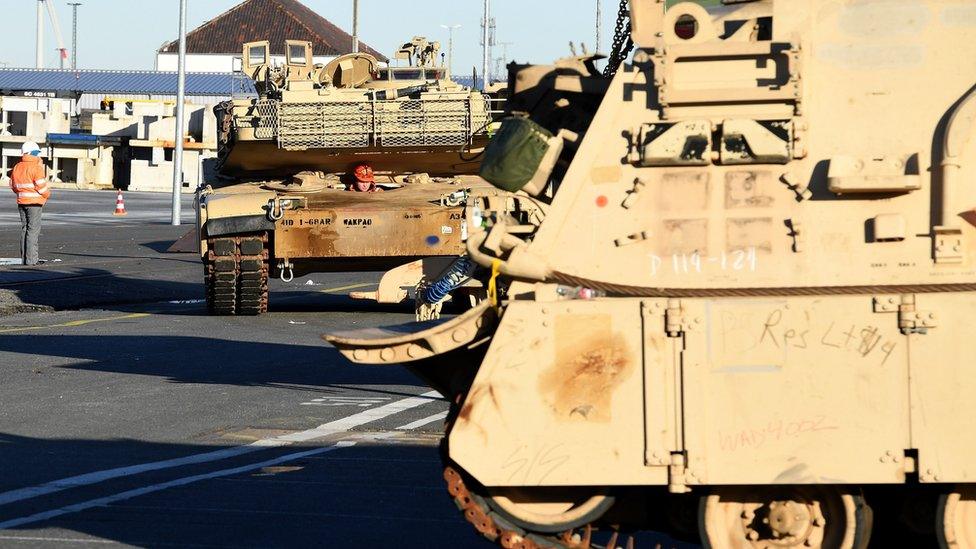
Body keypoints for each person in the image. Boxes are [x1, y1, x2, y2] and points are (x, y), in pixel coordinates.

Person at [10, 141, 50, 266]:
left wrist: (22, 193)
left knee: (25, 229)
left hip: (21, 202)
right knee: (33, 231)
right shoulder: (36, 167)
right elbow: (41, 187)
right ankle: (32, 260)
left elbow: (13, 185)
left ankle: (25, 259)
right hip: (34, 203)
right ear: (34, 153)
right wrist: (47, 194)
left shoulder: (17, 166)